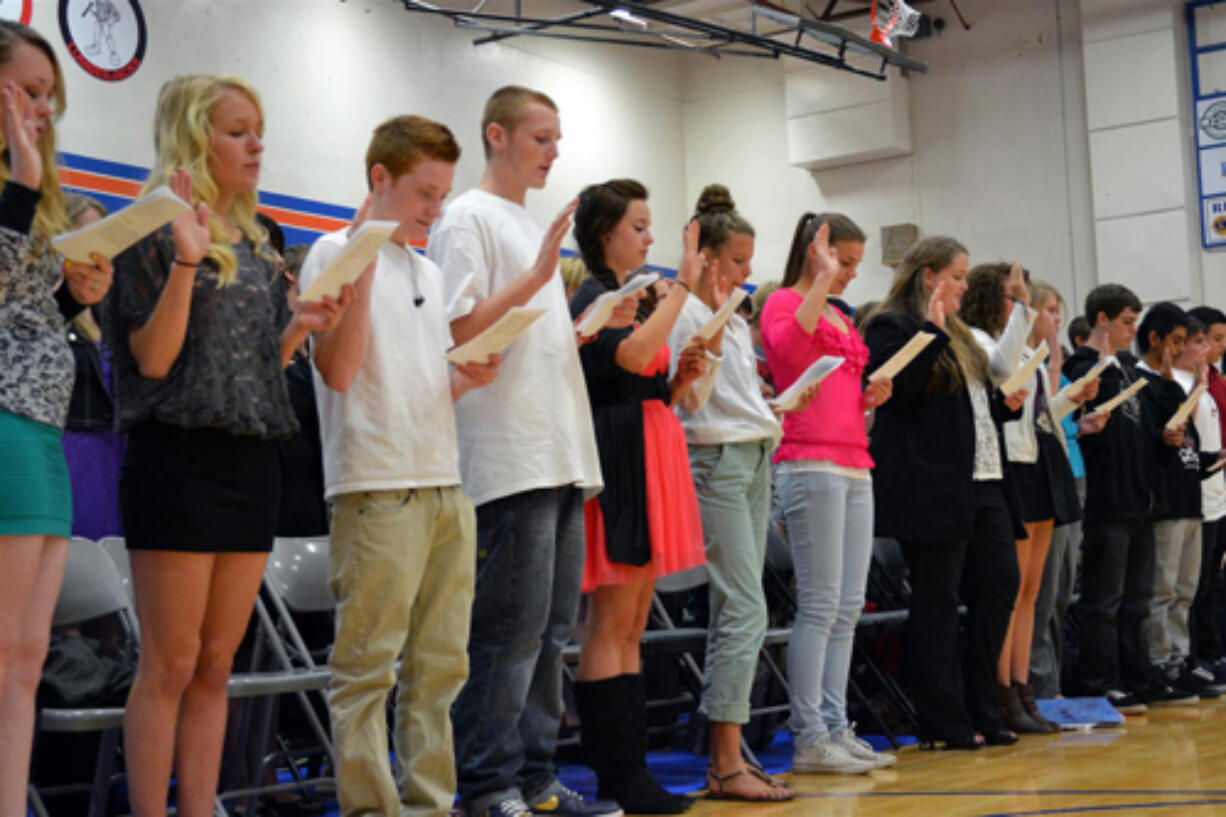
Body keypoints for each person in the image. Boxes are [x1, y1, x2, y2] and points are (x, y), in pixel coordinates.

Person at [107, 74, 350, 816]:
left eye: (259, 129)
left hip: (252, 462)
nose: (257, 144)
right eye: (238, 130)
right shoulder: (149, 228)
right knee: (171, 663)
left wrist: (297, 329)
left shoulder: (252, 237)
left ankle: (203, 807)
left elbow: (254, 365)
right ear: (194, 138)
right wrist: (185, 259)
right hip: (176, 460)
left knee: (218, 663)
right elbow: (153, 359)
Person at [299, 114, 500, 816]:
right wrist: (355, 265)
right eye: (423, 192)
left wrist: (463, 380)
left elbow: (416, 382)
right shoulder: (331, 252)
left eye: (443, 194)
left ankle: (430, 803)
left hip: (445, 484)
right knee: (366, 672)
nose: (434, 210)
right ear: (378, 178)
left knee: (441, 667)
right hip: (374, 488)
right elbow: (341, 374)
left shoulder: (428, 268)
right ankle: (371, 810)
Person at [426, 86, 616, 817]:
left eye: (558, 138)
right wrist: (538, 279)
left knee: (550, 631)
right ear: (497, 135)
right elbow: (458, 330)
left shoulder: (521, 223)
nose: (554, 151)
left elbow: (528, 343)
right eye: (542, 136)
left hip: (557, 451)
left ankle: (535, 780)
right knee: (508, 630)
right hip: (507, 458)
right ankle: (486, 783)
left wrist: (587, 322)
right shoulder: (467, 218)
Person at [0, 20, 113, 814]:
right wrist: (21, 186)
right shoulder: (21, 190)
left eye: (49, 97)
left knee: (27, 654)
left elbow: (25, 311)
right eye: (27, 92)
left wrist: (77, 294)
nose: (41, 109)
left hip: (43, 425)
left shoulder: (39, 197)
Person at [569, 179, 707, 814]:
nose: (649, 238)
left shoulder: (636, 298)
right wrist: (681, 285)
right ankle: (618, 777)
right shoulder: (598, 294)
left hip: (649, 446)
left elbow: (646, 375)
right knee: (612, 624)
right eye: (639, 227)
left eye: (651, 227)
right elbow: (625, 362)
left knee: (633, 625)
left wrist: (680, 380)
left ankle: (633, 772)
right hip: (621, 457)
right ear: (606, 234)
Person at [863, 236, 1027, 750]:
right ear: (928, 275)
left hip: (984, 480)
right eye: (957, 275)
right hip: (931, 485)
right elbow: (899, 389)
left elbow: (972, 405)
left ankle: (984, 704)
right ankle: (942, 718)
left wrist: (1007, 404)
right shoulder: (891, 325)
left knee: (999, 585)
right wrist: (932, 332)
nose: (963, 285)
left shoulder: (960, 333)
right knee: (937, 598)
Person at [665, 185, 792, 801]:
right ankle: (723, 761)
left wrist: (776, 405)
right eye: (739, 260)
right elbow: (689, 399)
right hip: (715, 461)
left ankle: (729, 756)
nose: (748, 271)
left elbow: (734, 399)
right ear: (709, 257)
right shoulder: (685, 309)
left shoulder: (734, 316)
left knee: (740, 609)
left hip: (753, 453)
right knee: (742, 606)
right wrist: (713, 329)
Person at [761, 212, 897, 773]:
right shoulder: (782, 303)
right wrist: (819, 279)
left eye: (854, 266)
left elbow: (829, 385)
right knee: (818, 604)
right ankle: (809, 734)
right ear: (816, 253)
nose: (848, 275)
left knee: (846, 606)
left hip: (852, 462)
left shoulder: (840, 316)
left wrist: (867, 399)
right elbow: (790, 356)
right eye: (844, 262)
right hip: (808, 461)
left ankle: (837, 726)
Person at [961, 269, 1101, 733]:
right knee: (1011, 590)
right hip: (1013, 468)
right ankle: (1005, 691)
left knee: (1032, 590)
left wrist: (1069, 399)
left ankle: (1023, 687)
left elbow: (1036, 412)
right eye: (1015, 300)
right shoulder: (984, 344)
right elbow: (1002, 390)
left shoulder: (1026, 353)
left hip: (1039, 461)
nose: (1022, 308)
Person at [1064, 286, 1196, 712]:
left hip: (1140, 500)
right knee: (1104, 599)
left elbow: (1146, 427)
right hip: (1108, 501)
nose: (1133, 330)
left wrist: (1164, 436)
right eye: (1126, 321)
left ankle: (1138, 675)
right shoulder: (1085, 366)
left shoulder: (1126, 371)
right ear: (1102, 320)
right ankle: (1100, 679)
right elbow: (1086, 427)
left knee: (1137, 597)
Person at [1135, 305, 1219, 699]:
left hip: (1190, 500)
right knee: (1162, 590)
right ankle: (1157, 664)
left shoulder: (1180, 388)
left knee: (1185, 589)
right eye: (1178, 342)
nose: (1182, 349)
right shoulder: (1144, 383)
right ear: (1156, 339)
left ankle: (1179, 661)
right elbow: (1152, 442)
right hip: (1164, 504)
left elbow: (1189, 443)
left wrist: (1211, 461)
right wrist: (1173, 375)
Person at [61, 193, 126, 540]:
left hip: (113, 451)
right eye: (89, 236)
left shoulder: (111, 316)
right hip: (69, 450)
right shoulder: (47, 312)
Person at [1188, 305, 1226, 684]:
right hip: (1194, 499)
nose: (1215, 348)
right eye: (1208, 341)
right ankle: (1193, 657)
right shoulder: (1192, 387)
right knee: (1194, 585)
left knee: (1213, 582)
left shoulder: (1218, 386)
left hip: (1218, 497)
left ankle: (1213, 652)